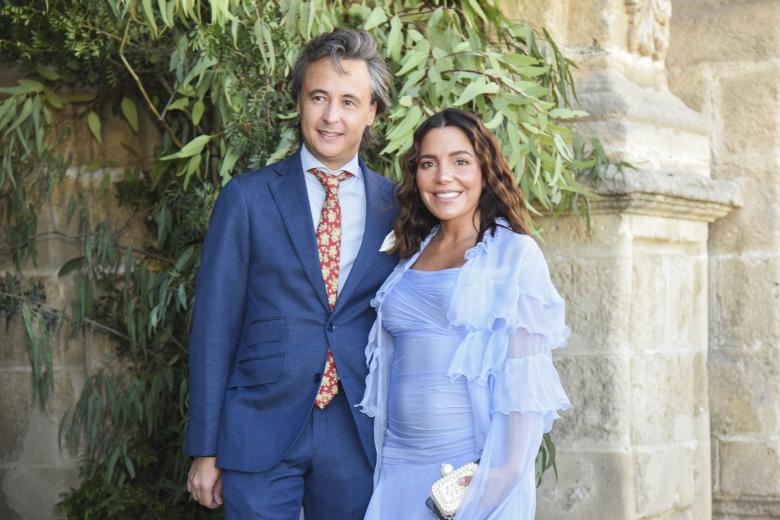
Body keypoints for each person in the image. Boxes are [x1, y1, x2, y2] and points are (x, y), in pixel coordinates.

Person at [185, 28, 398, 519]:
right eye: (318, 97)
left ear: (371, 114)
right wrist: (206, 447)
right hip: (258, 426)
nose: (331, 116)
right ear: (299, 102)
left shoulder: (399, 208)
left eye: (349, 101)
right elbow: (214, 327)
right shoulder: (247, 198)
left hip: (356, 429)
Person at [358, 108, 572, 519]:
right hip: (395, 472)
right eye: (428, 164)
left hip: (465, 482)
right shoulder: (410, 252)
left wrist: (475, 501)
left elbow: (521, 401)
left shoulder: (513, 255)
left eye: (460, 161)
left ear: (484, 170)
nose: (443, 177)